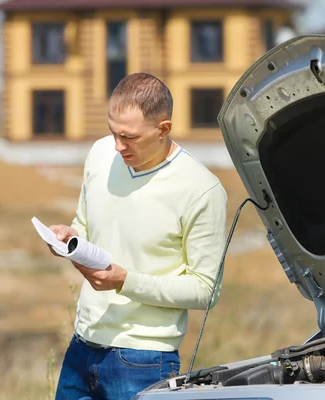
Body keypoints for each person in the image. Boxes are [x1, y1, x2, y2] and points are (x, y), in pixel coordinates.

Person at [50, 72, 228, 399]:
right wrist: (69, 237)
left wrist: (124, 281)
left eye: (128, 137)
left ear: (164, 129)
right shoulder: (101, 154)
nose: (117, 146)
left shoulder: (202, 190)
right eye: (112, 132)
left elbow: (206, 290)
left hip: (145, 359)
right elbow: (86, 225)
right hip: (82, 344)